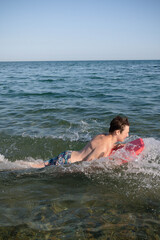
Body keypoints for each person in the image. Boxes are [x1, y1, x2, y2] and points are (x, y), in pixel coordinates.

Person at [30, 115, 129, 168]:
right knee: (35, 169)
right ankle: (15, 169)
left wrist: (116, 146)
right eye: (126, 132)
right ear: (117, 132)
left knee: (38, 165)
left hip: (68, 154)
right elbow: (86, 164)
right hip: (67, 162)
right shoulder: (104, 147)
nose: (127, 135)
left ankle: (17, 166)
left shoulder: (103, 136)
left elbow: (102, 146)